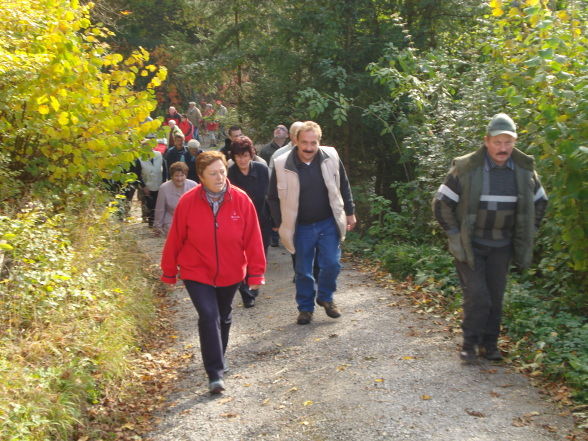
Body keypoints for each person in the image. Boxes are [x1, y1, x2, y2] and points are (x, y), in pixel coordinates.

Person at [432, 113, 548, 363]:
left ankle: (490, 345)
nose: (503, 148)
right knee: (478, 296)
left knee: (495, 298)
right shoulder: (465, 169)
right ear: (487, 141)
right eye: (498, 142)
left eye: (508, 142)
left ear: (515, 142)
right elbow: (442, 204)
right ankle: (469, 346)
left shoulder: (524, 171)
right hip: (470, 246)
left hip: (502, 246)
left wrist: (529, 231)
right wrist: (454, 236)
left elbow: (540, 202)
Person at [160, 151, 266, 394]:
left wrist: (256, 273)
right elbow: (175, 239)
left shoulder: (241, 200)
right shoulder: (188, 202)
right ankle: (215, 373)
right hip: (196, 271)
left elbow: (253, 239)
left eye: (222, 172)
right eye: (213, 174)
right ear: (201, 177)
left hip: (231, 271)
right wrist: (168, 272)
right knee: (209, 316)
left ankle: (220, 355)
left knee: (224, 315)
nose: (219, 177)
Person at [268, 121, 356, 325]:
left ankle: (325, 297)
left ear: (319, 141)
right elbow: (272, 196)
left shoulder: (331, 156)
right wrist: (279, 222)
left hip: (327, 222)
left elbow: (343, 184)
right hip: (301, 226)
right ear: (296, 141)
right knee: (303, 270)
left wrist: (350, 212)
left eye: (313, 143)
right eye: (304, 142)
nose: (309, 148)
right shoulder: (282, 163)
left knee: (332, 264)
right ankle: (305, 309)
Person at [228, 136, 272, 308]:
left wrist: (276, 219)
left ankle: (253, 288)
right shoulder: (230, 174)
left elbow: (271, 196)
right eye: (238, 156)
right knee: (240, 258)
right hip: (239, 223)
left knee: (260, 257)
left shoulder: (262, 169)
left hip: (262, 220)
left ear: (251, 155)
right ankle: (246, 293)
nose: (242, 159)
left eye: (245, 155)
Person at [153, 162, 197, 236]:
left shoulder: (193, 185)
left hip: (190, 219)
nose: (179, 179)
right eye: (176, 176)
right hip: (171, 219)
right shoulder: (164, 188)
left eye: (182, 175)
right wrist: (158, 226)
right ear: (171, 176)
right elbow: (160, 209)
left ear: (185, 175)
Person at [135, 142, 167, 227]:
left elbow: (165, 170)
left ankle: (159, 222)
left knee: (159, 204)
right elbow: (137, 175)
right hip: (147, 185)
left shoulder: (159, 155)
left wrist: (164, 183)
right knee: (150, 204)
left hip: (159, 184)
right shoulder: (140, 159)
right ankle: (151, 222)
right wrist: (143, 186)